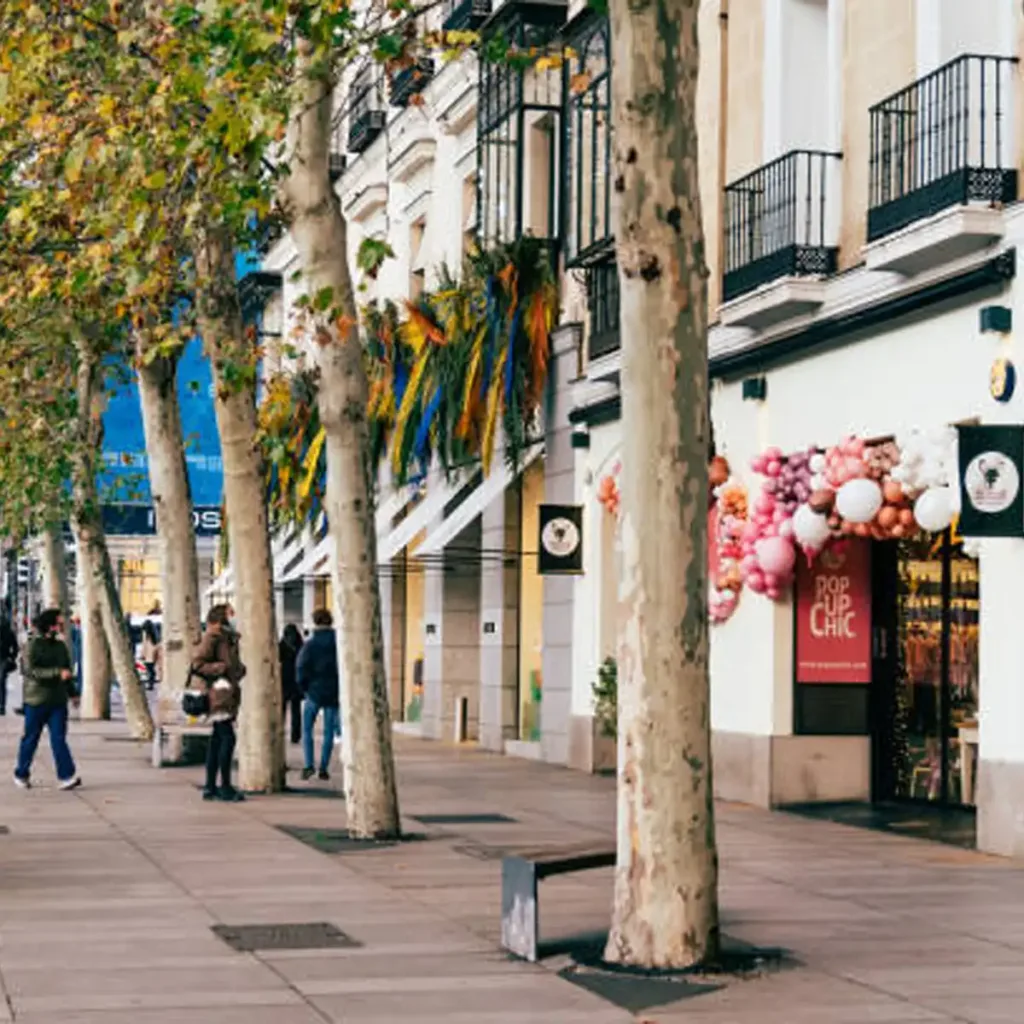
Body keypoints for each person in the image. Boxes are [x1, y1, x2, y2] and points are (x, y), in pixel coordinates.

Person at [13, 608, 81, 790]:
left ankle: (66, 775)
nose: (62, 627)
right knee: (31, 739)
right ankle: (21, 772)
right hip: (36, 700)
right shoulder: (33, 645)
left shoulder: (60, 646)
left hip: (57, 701)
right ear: (49, 625)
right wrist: (57, 674)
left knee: (59, 739)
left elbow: (66, 670)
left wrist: (73, 693)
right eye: (59, 623)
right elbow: (31, 671)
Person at [191, 604, 246, 802]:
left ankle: (211, 785)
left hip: (227, 693)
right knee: (227, 739)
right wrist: (221, 668)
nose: (234, 616)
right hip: (218, 695)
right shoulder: (213, 637)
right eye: (231, 613)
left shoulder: (229, 638)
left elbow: (233, 665)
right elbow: (197, 663)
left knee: (217, 741)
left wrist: (239, 670)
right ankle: (224, 785)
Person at [296, 608, 340, 781]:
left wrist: (304, 687)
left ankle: (308, 765)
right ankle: (323, 766)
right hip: (334, 691)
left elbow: (301, 666)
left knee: (307, 729)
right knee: (329, 731)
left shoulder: (310, 644)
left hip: (313, 691)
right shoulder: (338, 643)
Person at [279, 623, 304, 746]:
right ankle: (295, 735)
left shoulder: (281, 645)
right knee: (296, 710)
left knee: (282, 709)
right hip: (296, 681)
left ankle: (280, 732)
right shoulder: (300, 645)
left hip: (284, 681)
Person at [0, 612, 18, 716]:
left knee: (1, 681)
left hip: (4, 658)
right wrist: (12, 657)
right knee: (2, 681)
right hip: (5, 658)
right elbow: (15, 647)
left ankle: (2, 706)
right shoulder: (9, 632)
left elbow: (15, 646)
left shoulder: (8, 632)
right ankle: (2, 706)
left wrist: (12, 657)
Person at [141, 618, 160, 691]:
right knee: (151, 670)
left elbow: (144, 644)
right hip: (153, 652)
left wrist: (142, 654)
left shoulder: (145, 633)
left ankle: (150, 684)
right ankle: (151, 683)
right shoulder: (155, 633)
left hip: (148, 653)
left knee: (149, 670)